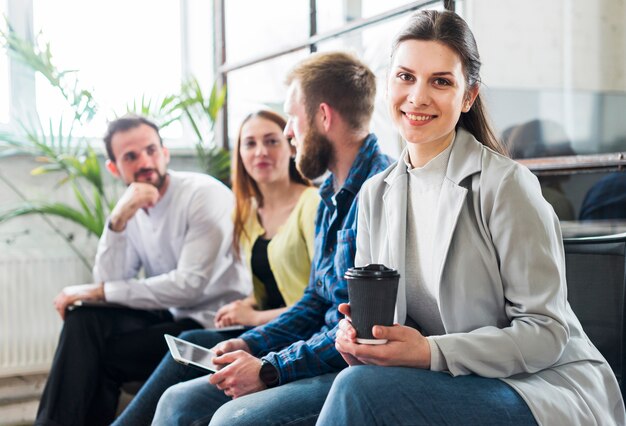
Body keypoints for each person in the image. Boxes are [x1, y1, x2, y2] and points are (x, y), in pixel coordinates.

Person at [322, 10, 626, 425]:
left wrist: (431, 352)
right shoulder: (376, 194)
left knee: (357, 391)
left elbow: (547, 333)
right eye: (406, 77)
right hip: (446, 378)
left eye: (441, 81)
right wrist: (363, 339)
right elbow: (390, 318)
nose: (418, 97)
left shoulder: (506, 186)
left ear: (468, 97)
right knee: (243, 416)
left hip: (539, 385)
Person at [151, 51, 392, 425]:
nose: (288, 133)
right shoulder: (330, 193)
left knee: (232, 419)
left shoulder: (383, 194)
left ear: (323, 116)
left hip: (349, 368)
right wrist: (251, 342)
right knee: (176, 402)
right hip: (316, 350)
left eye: (292, 118)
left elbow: (361, 331)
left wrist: (268, 368)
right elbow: (315, 300)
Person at [35, 115, 251, 426]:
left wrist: (98, 290)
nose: (145, 162)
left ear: (165, 153)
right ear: (115, 168)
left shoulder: (202, 194)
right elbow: (108, 282)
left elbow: (188, 285)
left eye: (151, 150)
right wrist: (118, 220)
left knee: (96, 357)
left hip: (215, 324)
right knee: (85, 319)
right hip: (171, 317)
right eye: (131, 156)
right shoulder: (131, 206)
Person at [113, 109, 319, 425]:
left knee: (190, 351)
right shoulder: (249, 212)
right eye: (250, 144)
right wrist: (245, 304)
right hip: (264, 327)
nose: (261, 151)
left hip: (298, 333)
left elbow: (316, 300)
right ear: (241, 155)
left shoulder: (312, 204)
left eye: (271, 141)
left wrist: (252, 316)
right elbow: (266, 288)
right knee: (188, 346)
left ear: (291, 146)